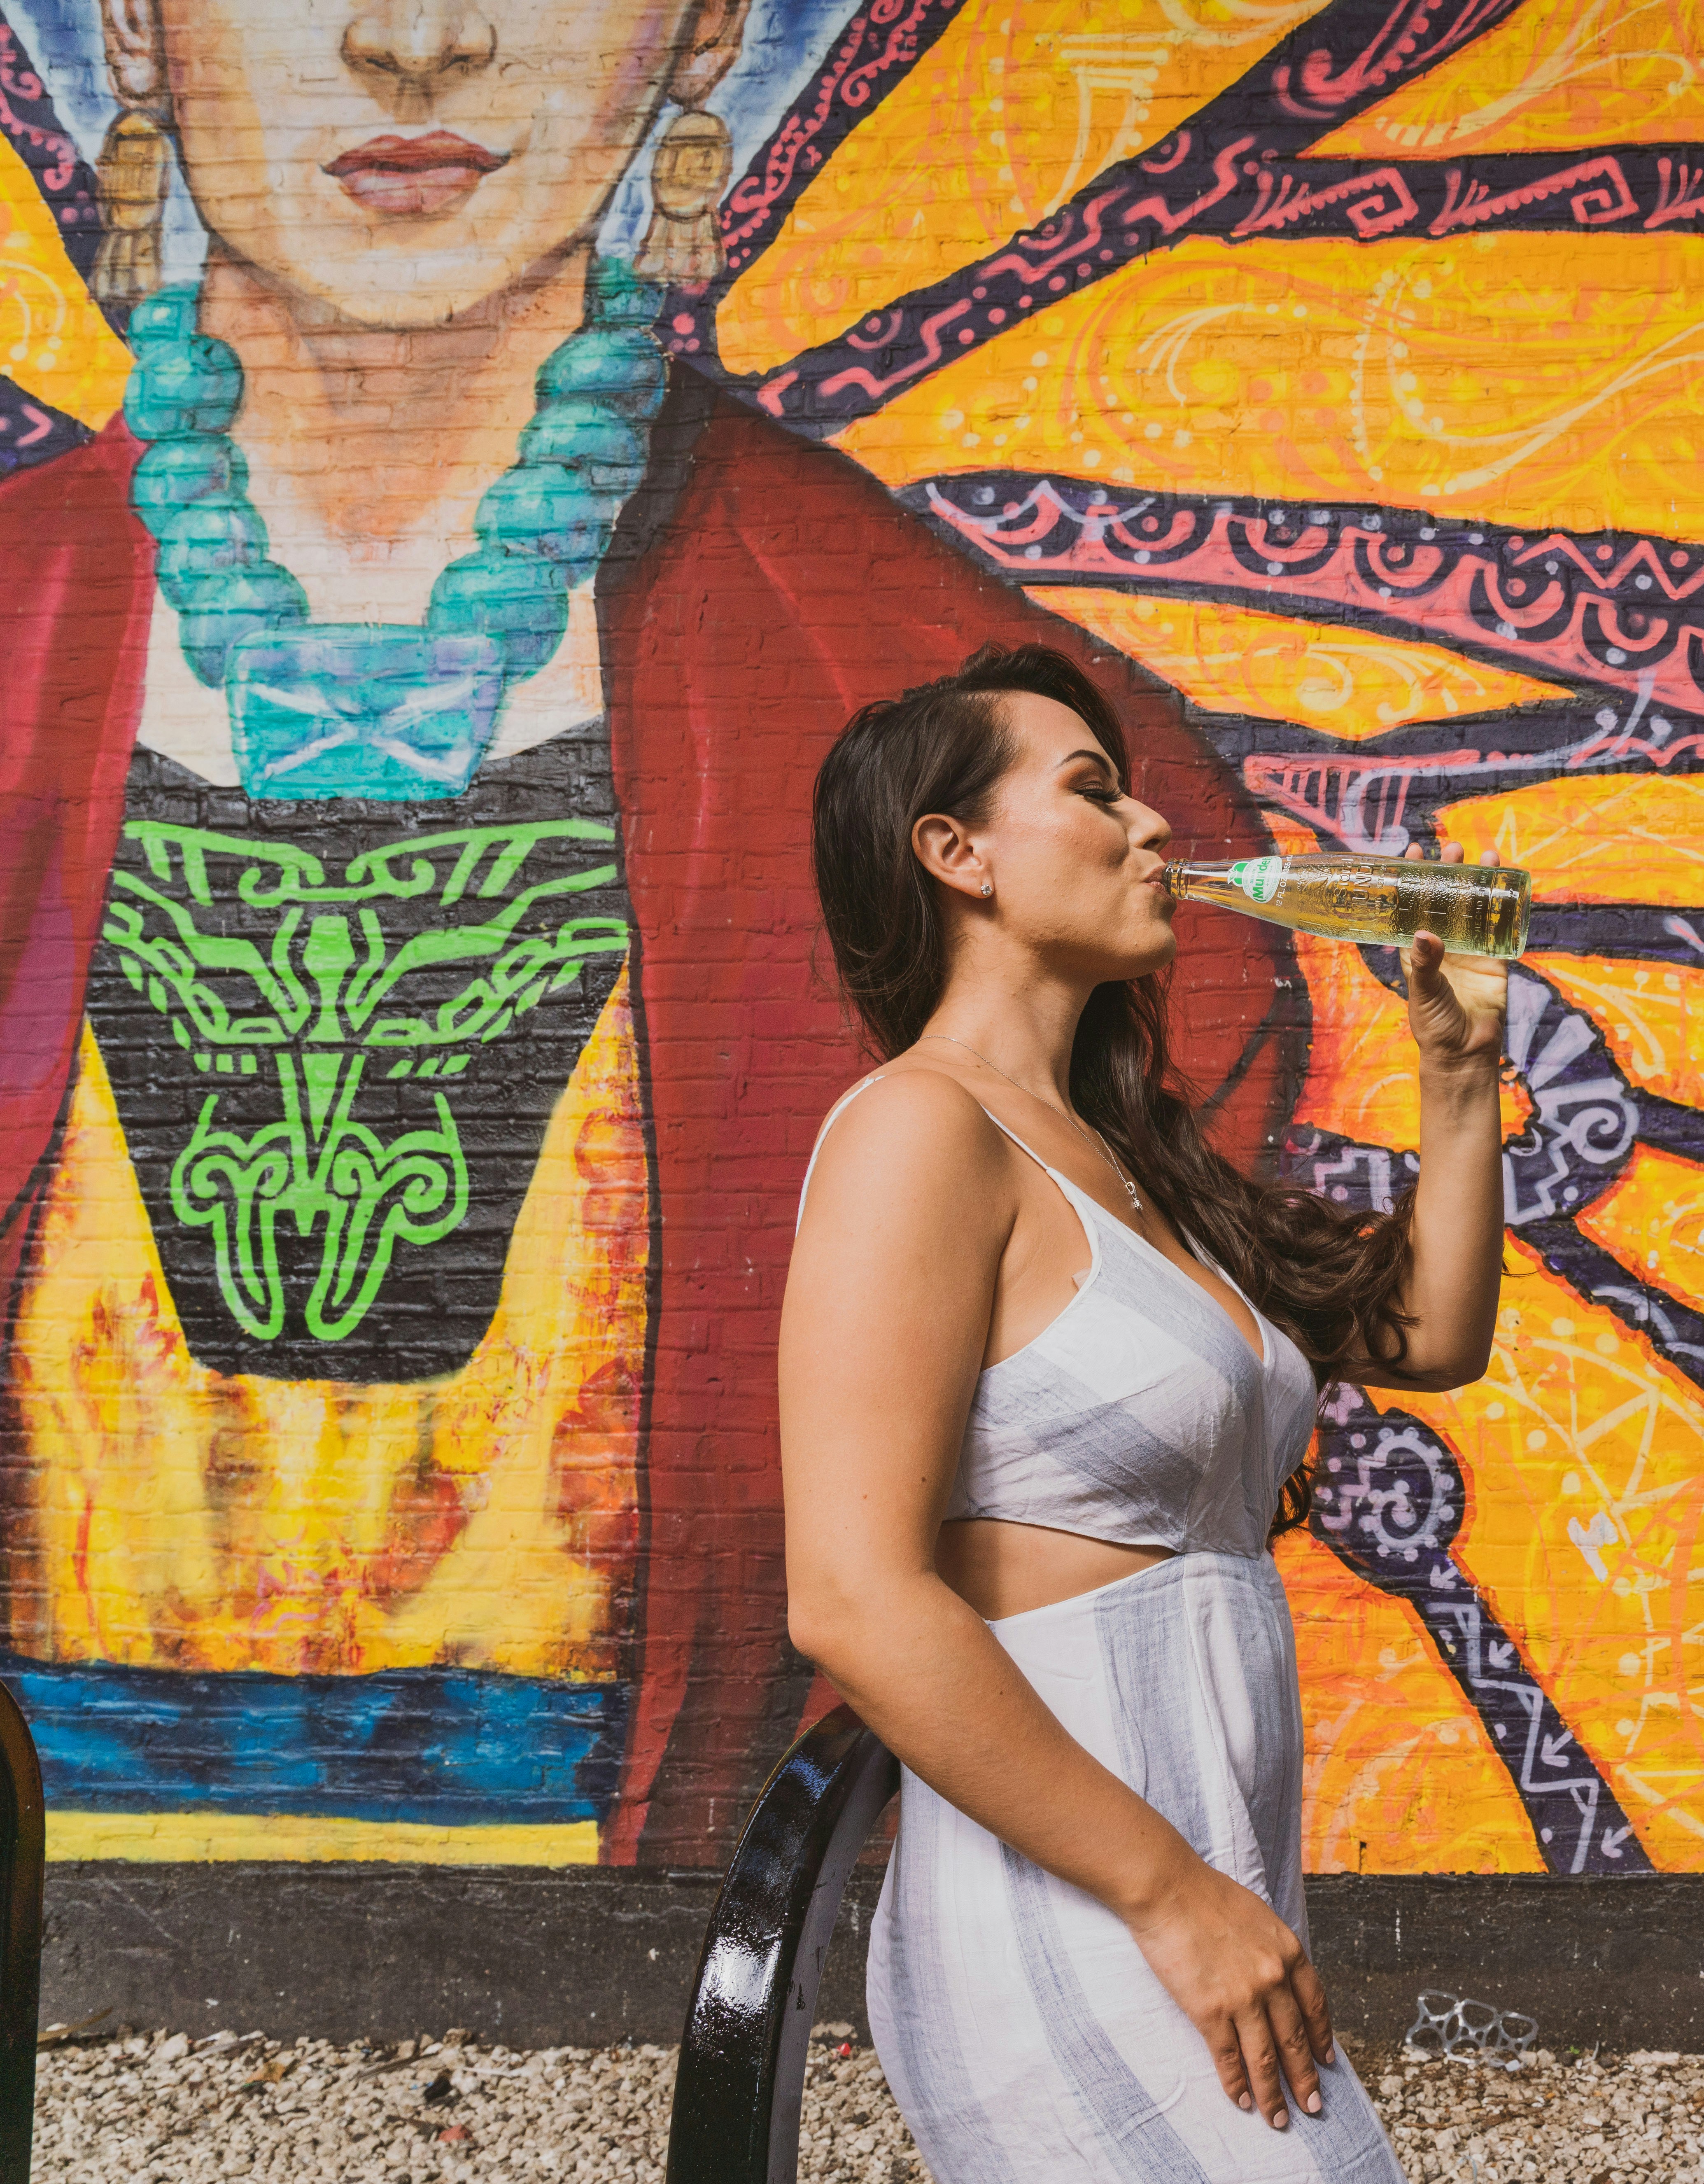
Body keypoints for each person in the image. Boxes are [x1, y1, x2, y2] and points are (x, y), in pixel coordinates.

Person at [0, 0, 1294, 1864]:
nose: (414, 46)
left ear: (694, 35)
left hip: (695, 1926)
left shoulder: (955, 732)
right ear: (133, 20)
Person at [783, 646, 1503, 2179]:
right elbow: (852, 1596)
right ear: (955, 852)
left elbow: (1430, 1333)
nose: (1158, 829)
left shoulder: (1123, 1159)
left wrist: (1459, 1081)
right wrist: (1170, 1896)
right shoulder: (919, 1131)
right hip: (1085, 1902)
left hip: (1211, 1890)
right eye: (1095, 792)